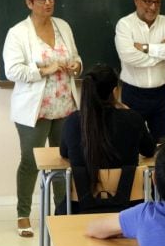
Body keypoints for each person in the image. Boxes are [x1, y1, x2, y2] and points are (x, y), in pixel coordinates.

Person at [4, 0, 82, 238]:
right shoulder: (18, 33)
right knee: (30, 161)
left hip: (65, 106)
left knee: (63, 161)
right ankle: (23, 214)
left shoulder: (63, 26)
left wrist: (76, 66)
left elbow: (76, 56)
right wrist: (43, 70)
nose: (48, 3)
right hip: (34, 110)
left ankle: (62, 212)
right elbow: (12, 70)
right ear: (29, 2)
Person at [58, 64, 156, 213]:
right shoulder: (132, 119)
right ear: (115, 92)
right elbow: (149, 150)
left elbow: (64, 153)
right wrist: (130, 114)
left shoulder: (73, 121)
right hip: (129, 211)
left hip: (79, 210)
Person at [114, 0, 165, 144]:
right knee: (130, 145)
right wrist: (161, 52)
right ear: (137, 0)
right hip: (133, 95)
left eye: (157, 2)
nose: (153, 7)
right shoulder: (124, 25)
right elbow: (128, 56)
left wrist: (146, 48)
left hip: (161, 95)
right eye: (148, 1)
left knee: (162, 147)